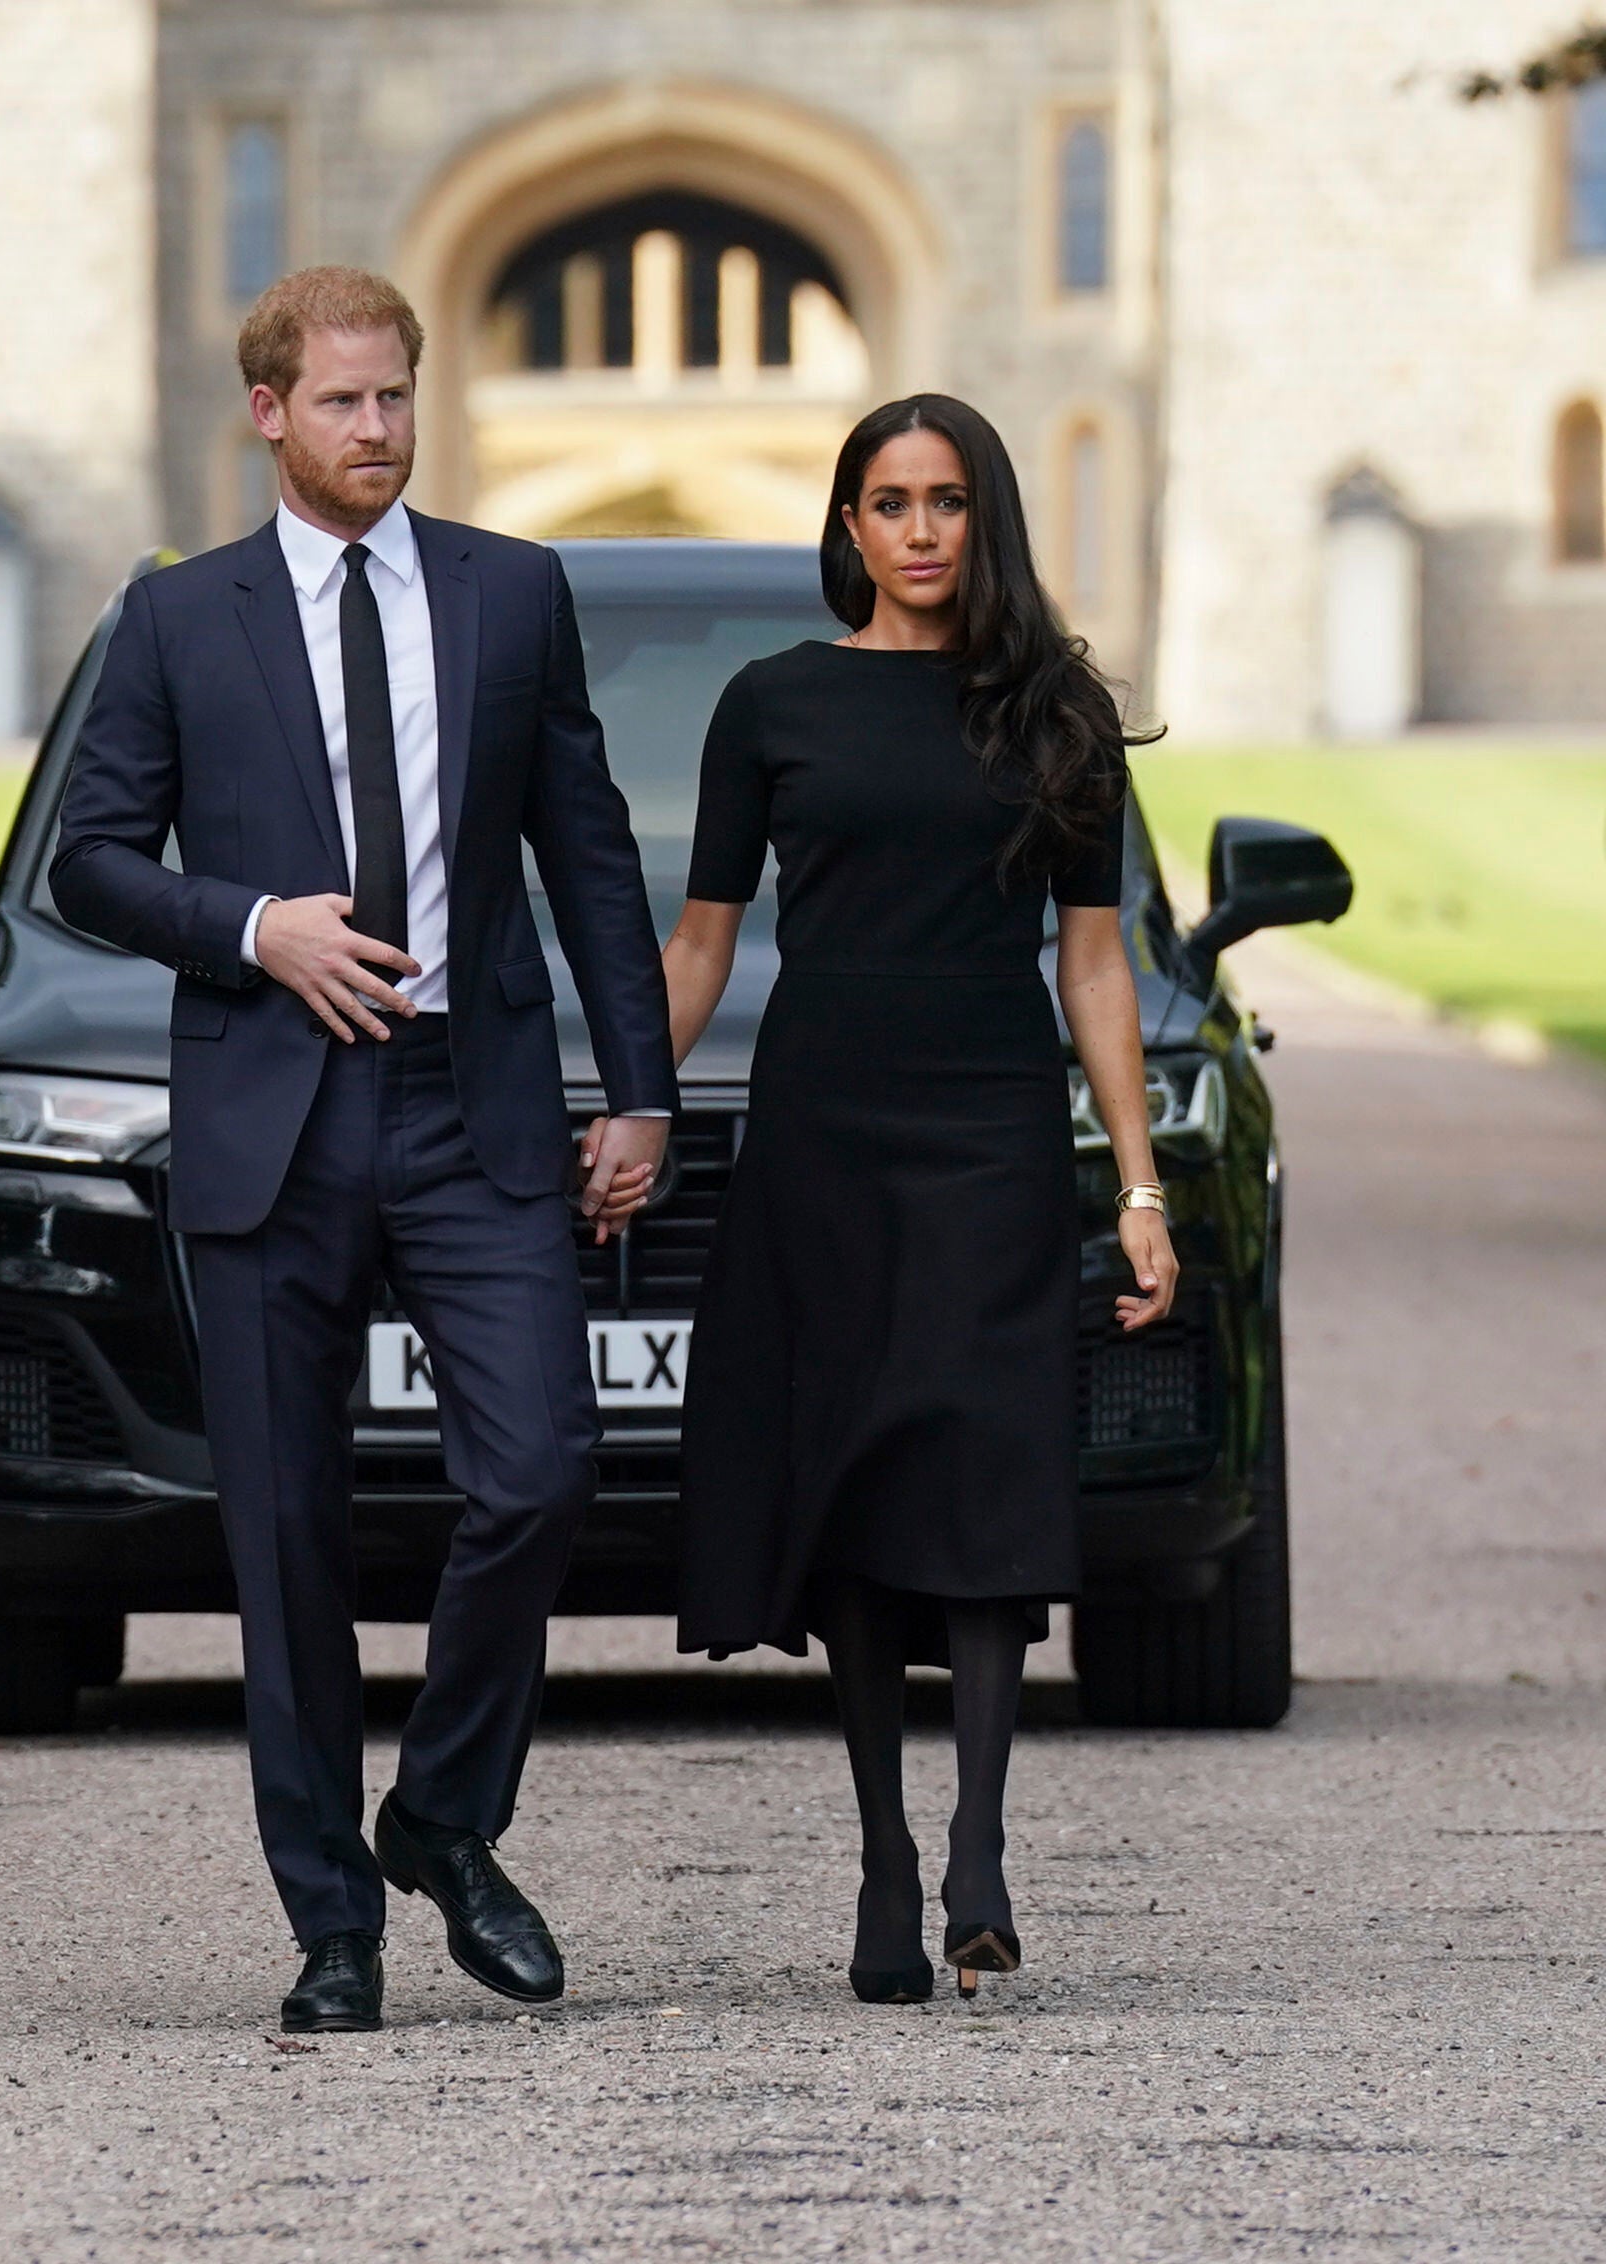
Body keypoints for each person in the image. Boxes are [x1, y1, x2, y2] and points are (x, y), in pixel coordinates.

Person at [51, 267, 676, 2033]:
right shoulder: (180, 621)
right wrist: (257, 928)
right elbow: (88, 862)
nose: (380, 430)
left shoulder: (512, 591)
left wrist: (635, 1086)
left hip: (471, 1111)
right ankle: (333, 1924)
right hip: (271, 1116)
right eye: (343, 402)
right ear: (267, 411)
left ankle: (444, 1820)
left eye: (398, 397)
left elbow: (589, 848)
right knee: (288, 1544)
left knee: (544, 1466)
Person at [663, 394, 1177, 2005]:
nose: (920, 531)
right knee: (859, 1486)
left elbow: (1094, 969)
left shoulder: (1057, 716)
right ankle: (884, 1851)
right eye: (888, 503)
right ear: (847, 526)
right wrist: (625, 1104)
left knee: (985, 1466)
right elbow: (701, 942)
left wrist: (1140, 1185)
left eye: (947, 501)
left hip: (991, 1129)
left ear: (985, 519)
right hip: (824, 1128)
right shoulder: (771, 705)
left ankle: (979, 1847)